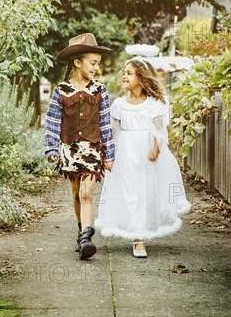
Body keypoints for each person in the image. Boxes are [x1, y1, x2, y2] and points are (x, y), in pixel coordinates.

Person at [95, 57, 191, 258]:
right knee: (130, 192)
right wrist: (107, 154)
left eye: (129, 73)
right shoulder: (120, 104)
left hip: (146, 153)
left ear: (142, 77)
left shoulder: (154, 103)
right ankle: (136, 235)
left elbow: (159, 129)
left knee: (144, 192)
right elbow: (113, 132)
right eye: (124, 72)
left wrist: (156, 149)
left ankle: (142, 234)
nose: (124, 76)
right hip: (125, 152)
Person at [44, 33, 115, 260]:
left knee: (86, 194)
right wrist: (51, 149)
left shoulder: (100, 90)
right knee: (76, 194)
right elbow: (53, 122)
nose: (96, 68)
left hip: (93, 149)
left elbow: (105, 123)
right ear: (77, 62)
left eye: (97, 64)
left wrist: (110, 154)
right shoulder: (61, 91)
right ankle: (81, 231)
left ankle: (86, 237)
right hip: (70, 150)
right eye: (92, 63)